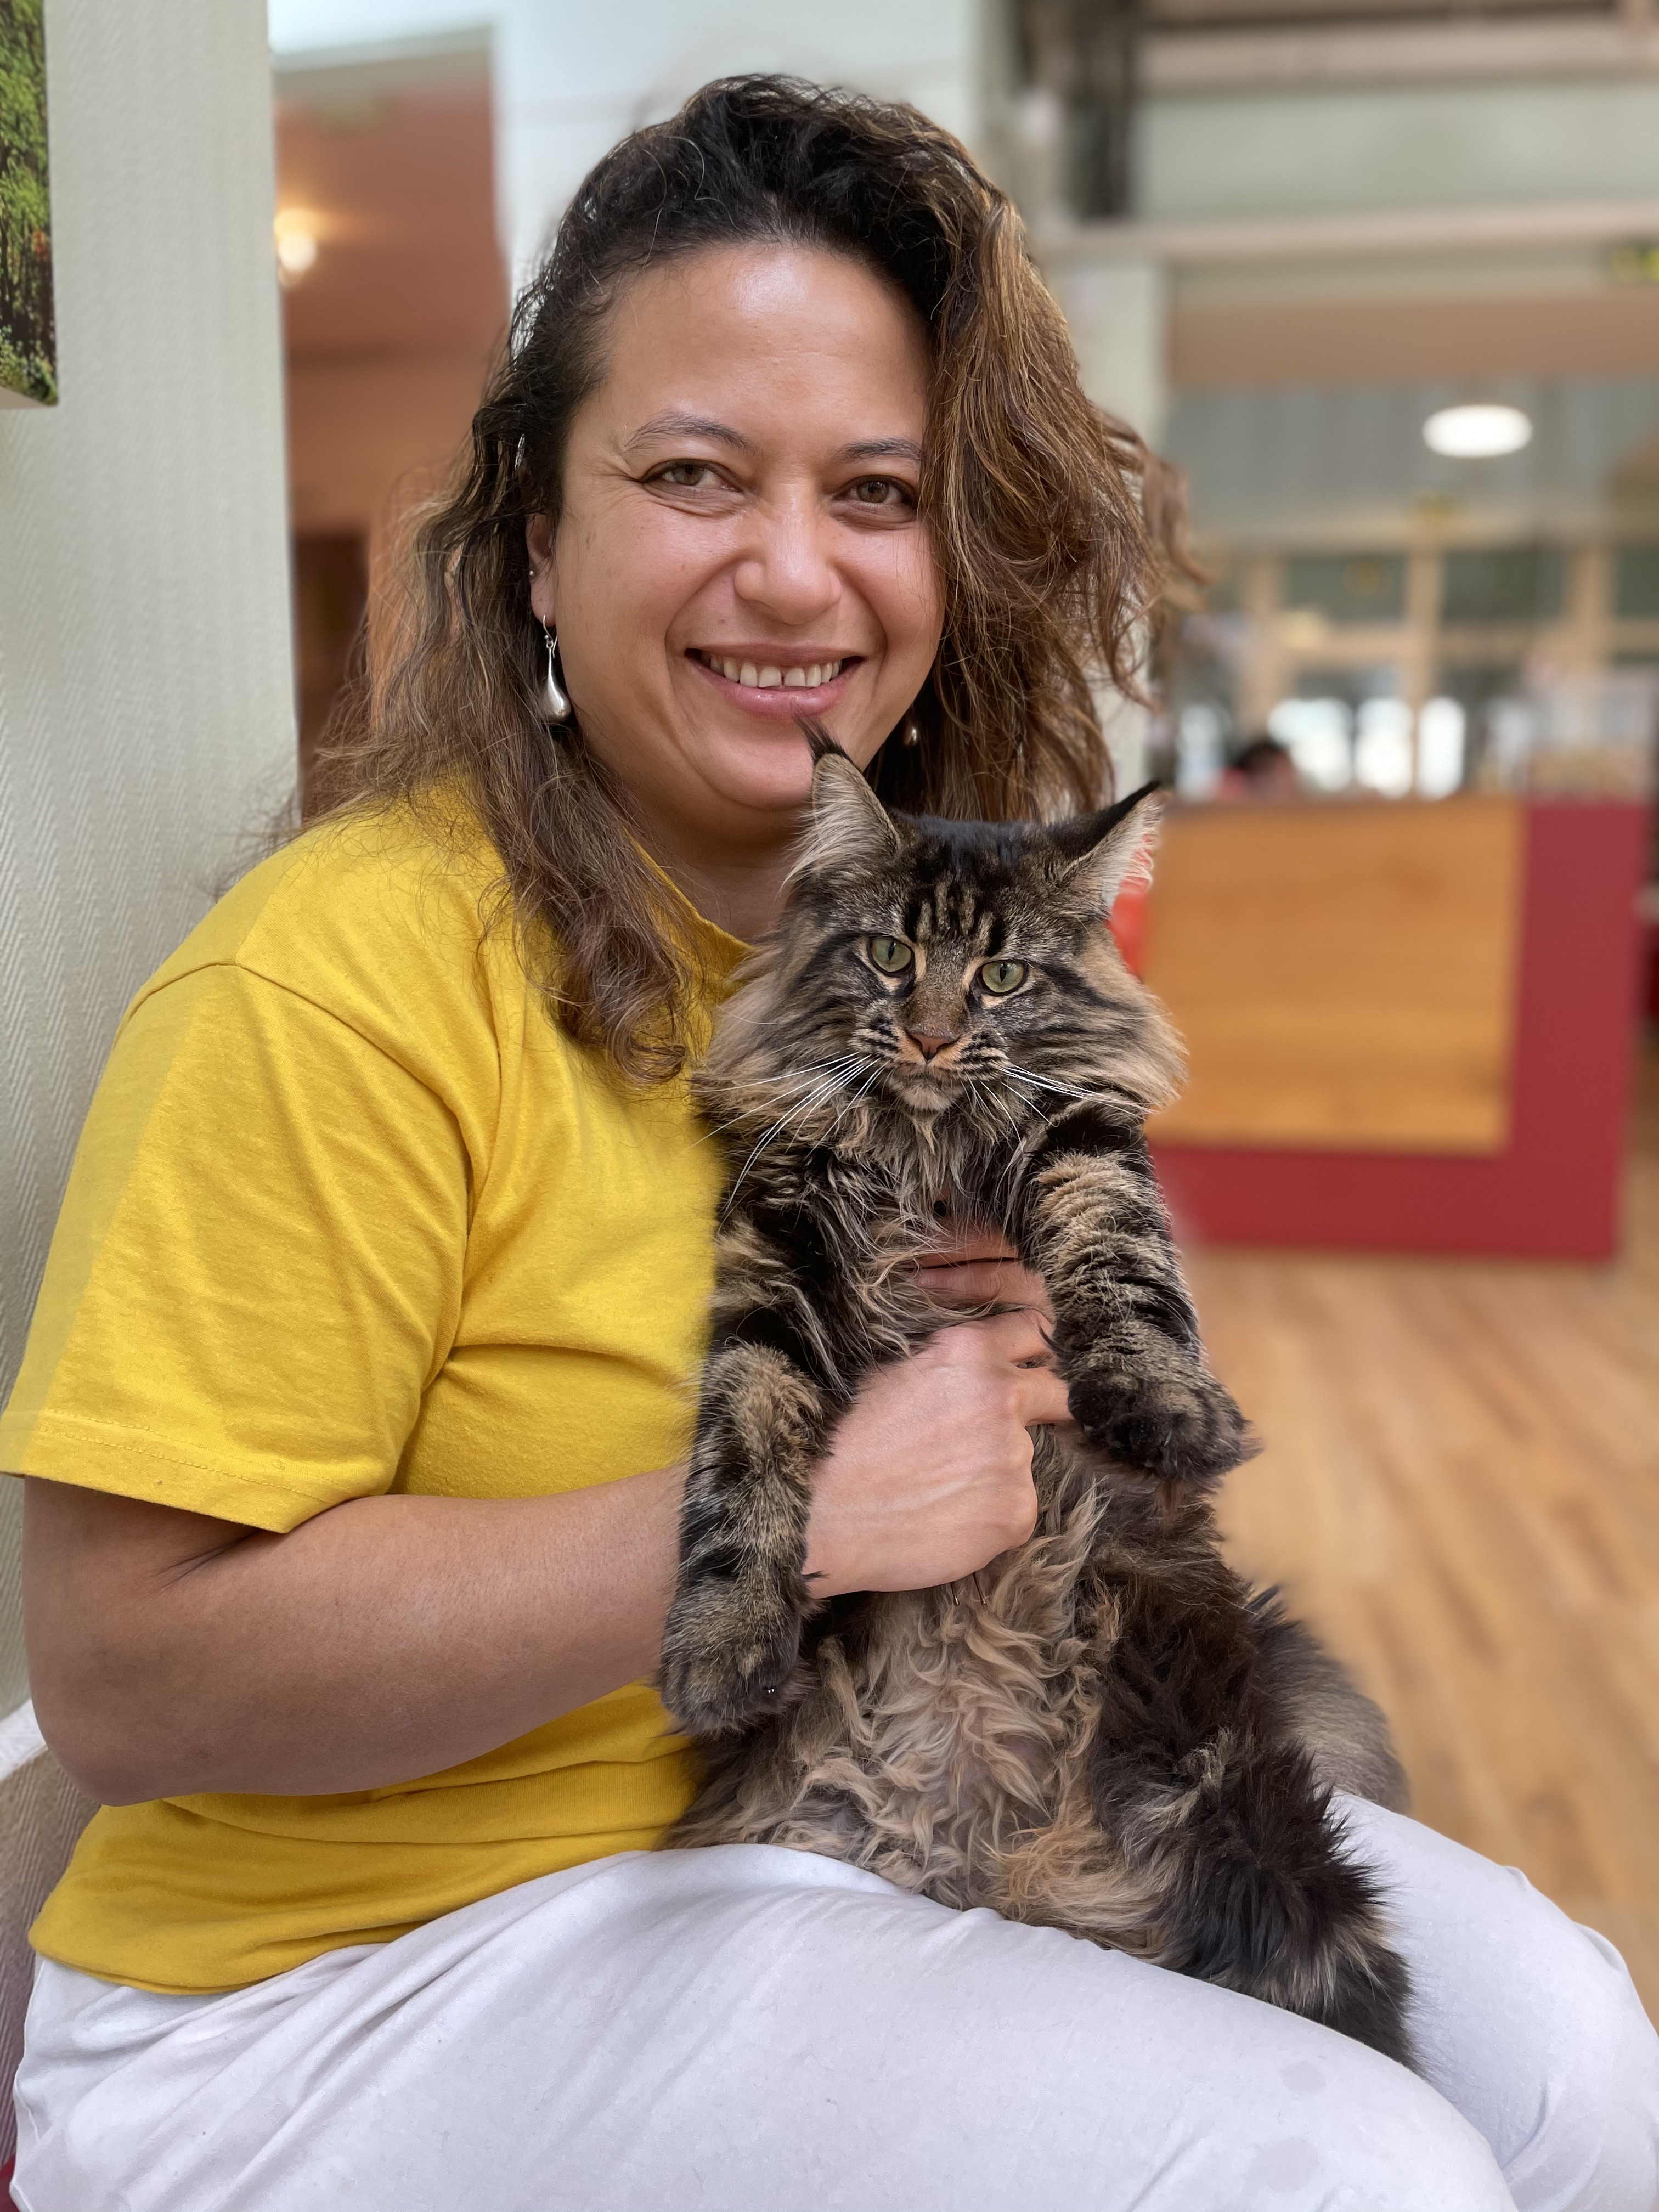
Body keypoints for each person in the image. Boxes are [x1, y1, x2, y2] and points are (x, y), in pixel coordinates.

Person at [5, 76, 1656, 2212]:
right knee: (1343, 2176)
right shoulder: (338, 981)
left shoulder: (898, 930)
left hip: (824, 1832)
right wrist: (785, 1510)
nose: (796, 569)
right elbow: (125, 1678)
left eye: (874, 491)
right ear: (537, 540)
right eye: (695, 473)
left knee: (1581, 2067)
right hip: (340, 1991)